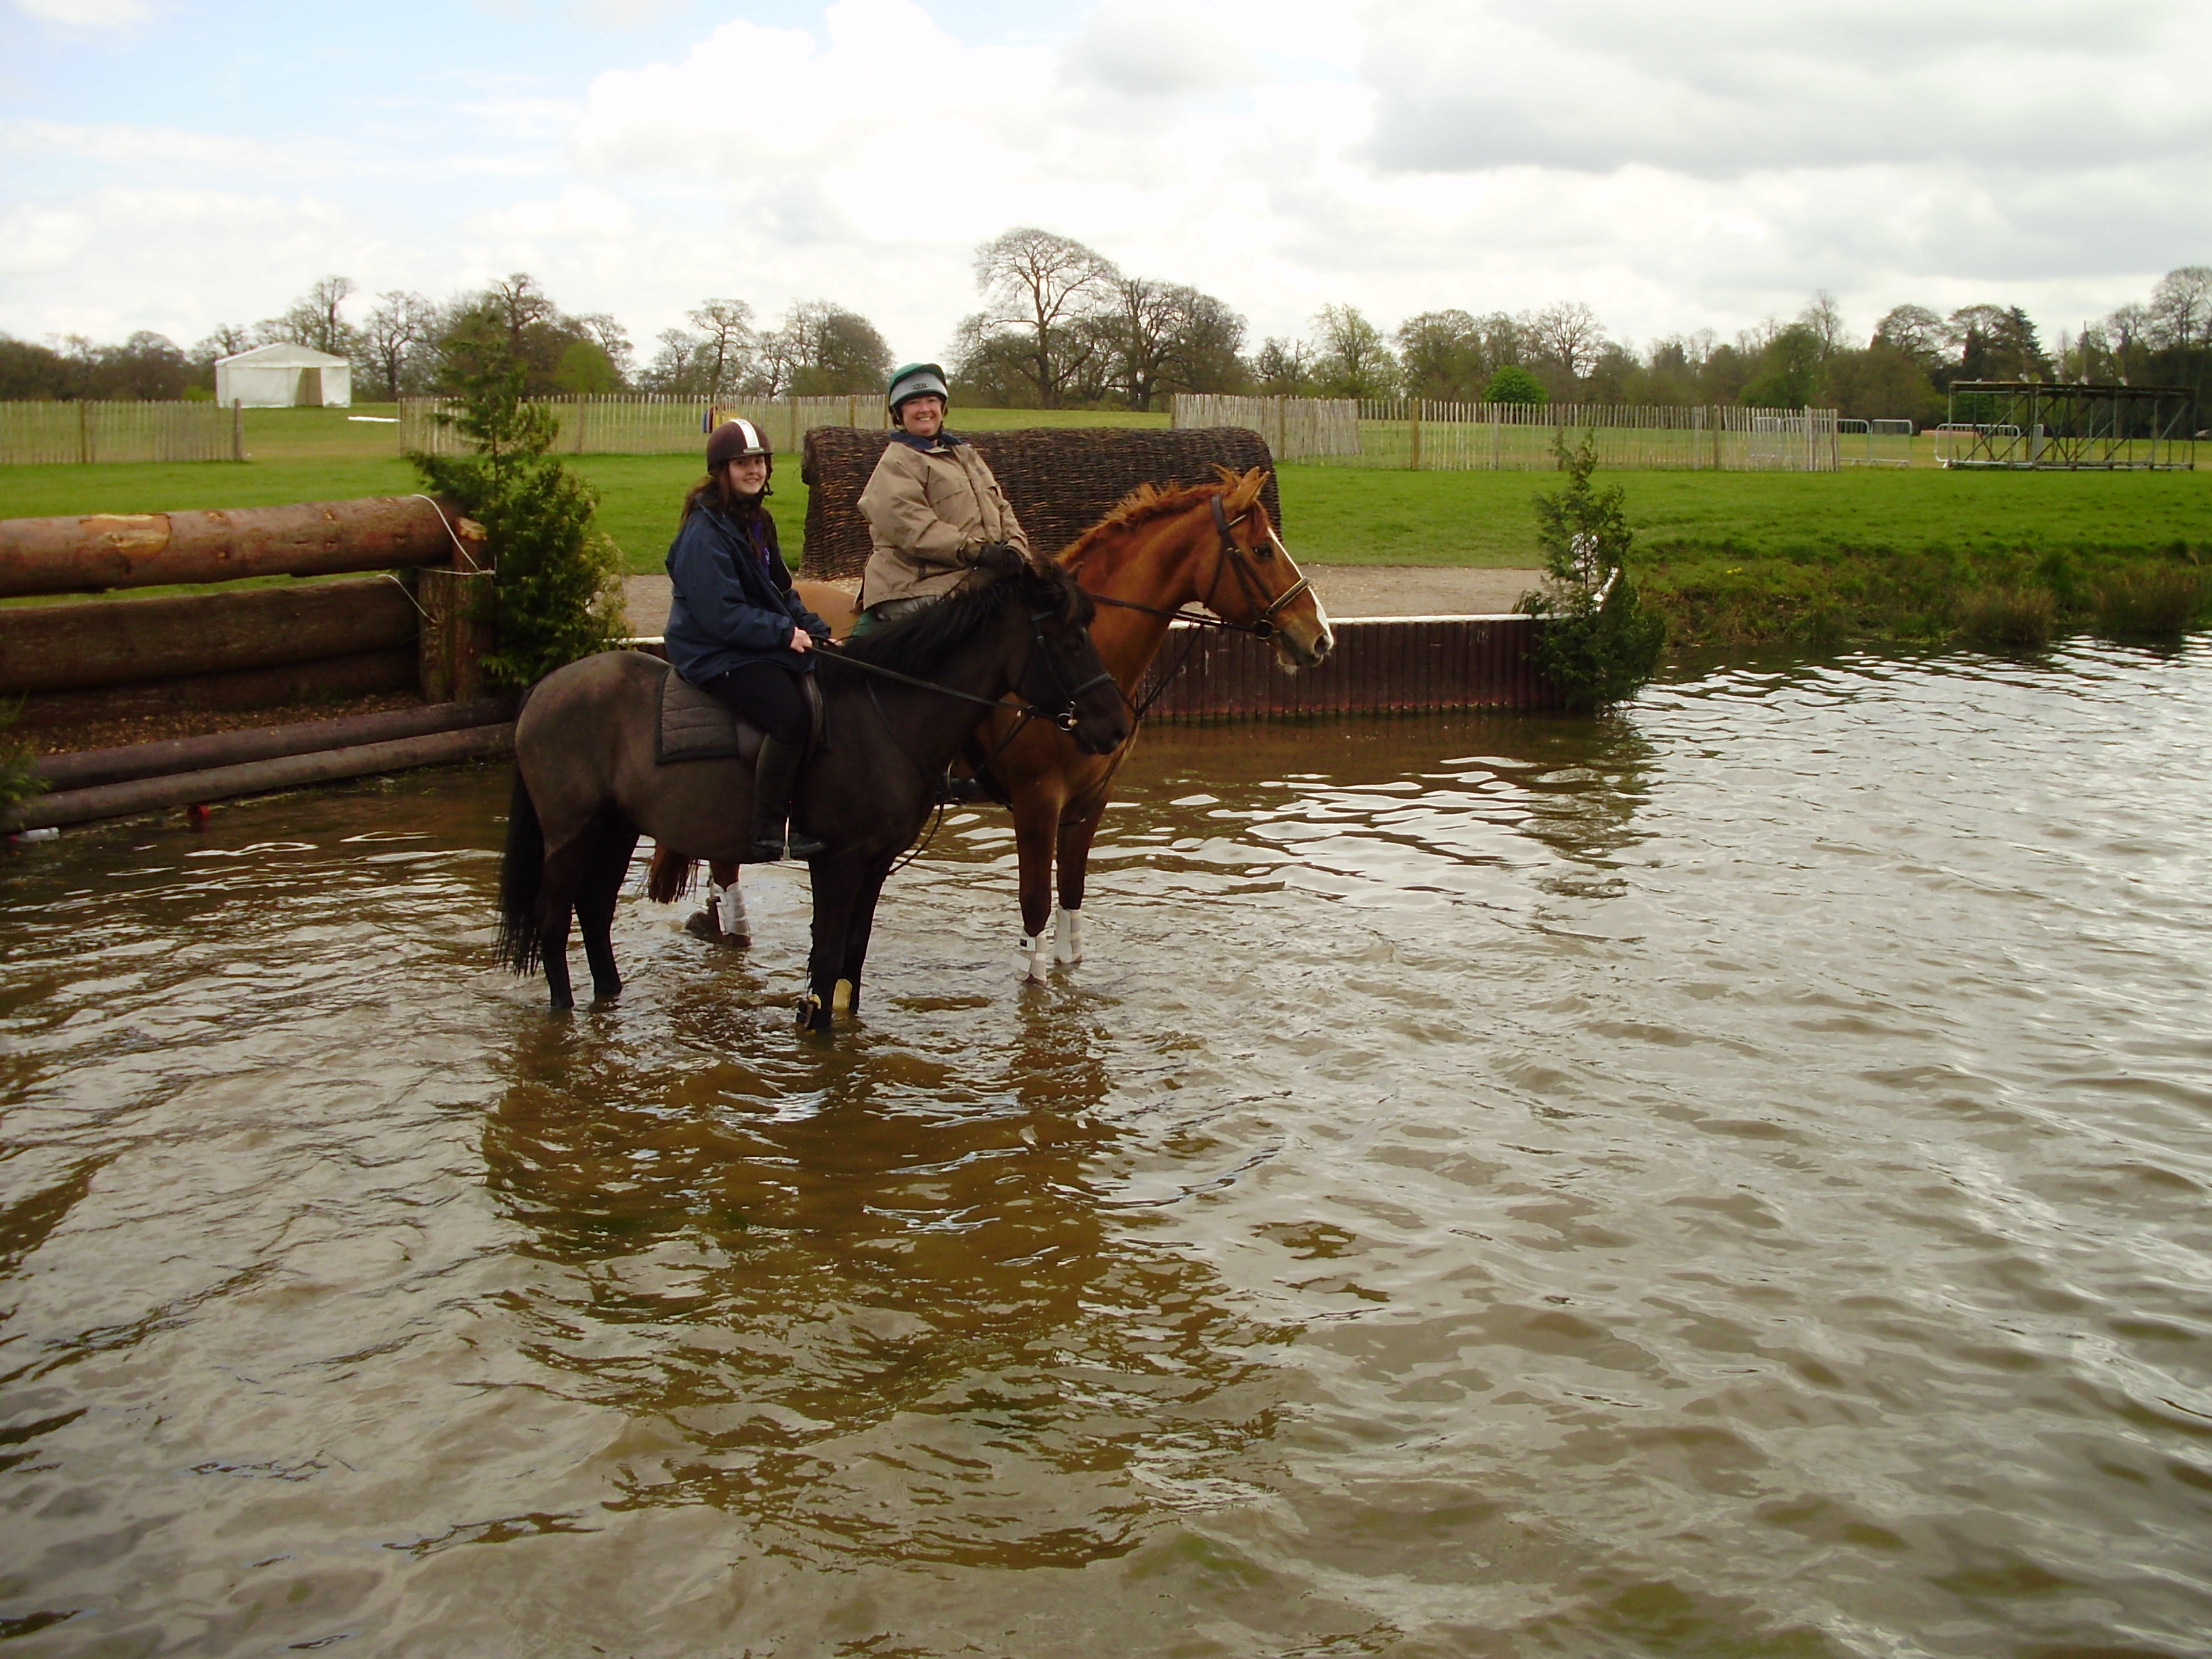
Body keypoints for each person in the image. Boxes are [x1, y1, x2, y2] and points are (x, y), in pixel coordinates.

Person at [664, 415, 832, 861]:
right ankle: (767, 829)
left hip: (748, 640)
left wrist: (814, 627)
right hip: (713, 650)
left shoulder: (758, 520)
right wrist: (783, 632)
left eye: (759, 462)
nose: (754, 471)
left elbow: (780, 591)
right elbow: (720, 615)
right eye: (742, 463)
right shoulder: (703, 533)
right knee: (789, 717)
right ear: (722, 470)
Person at [851, 363, 1032, 637]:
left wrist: (1016, 549)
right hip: (917, 584)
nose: (924, 409)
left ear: (943, 407)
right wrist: (979, 552)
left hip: (973, 577)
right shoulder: (896, 463)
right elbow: (914, 528)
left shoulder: (964, 455)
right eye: (913, 402)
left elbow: (1001, 507)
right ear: (899, 414)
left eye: (931, 400)